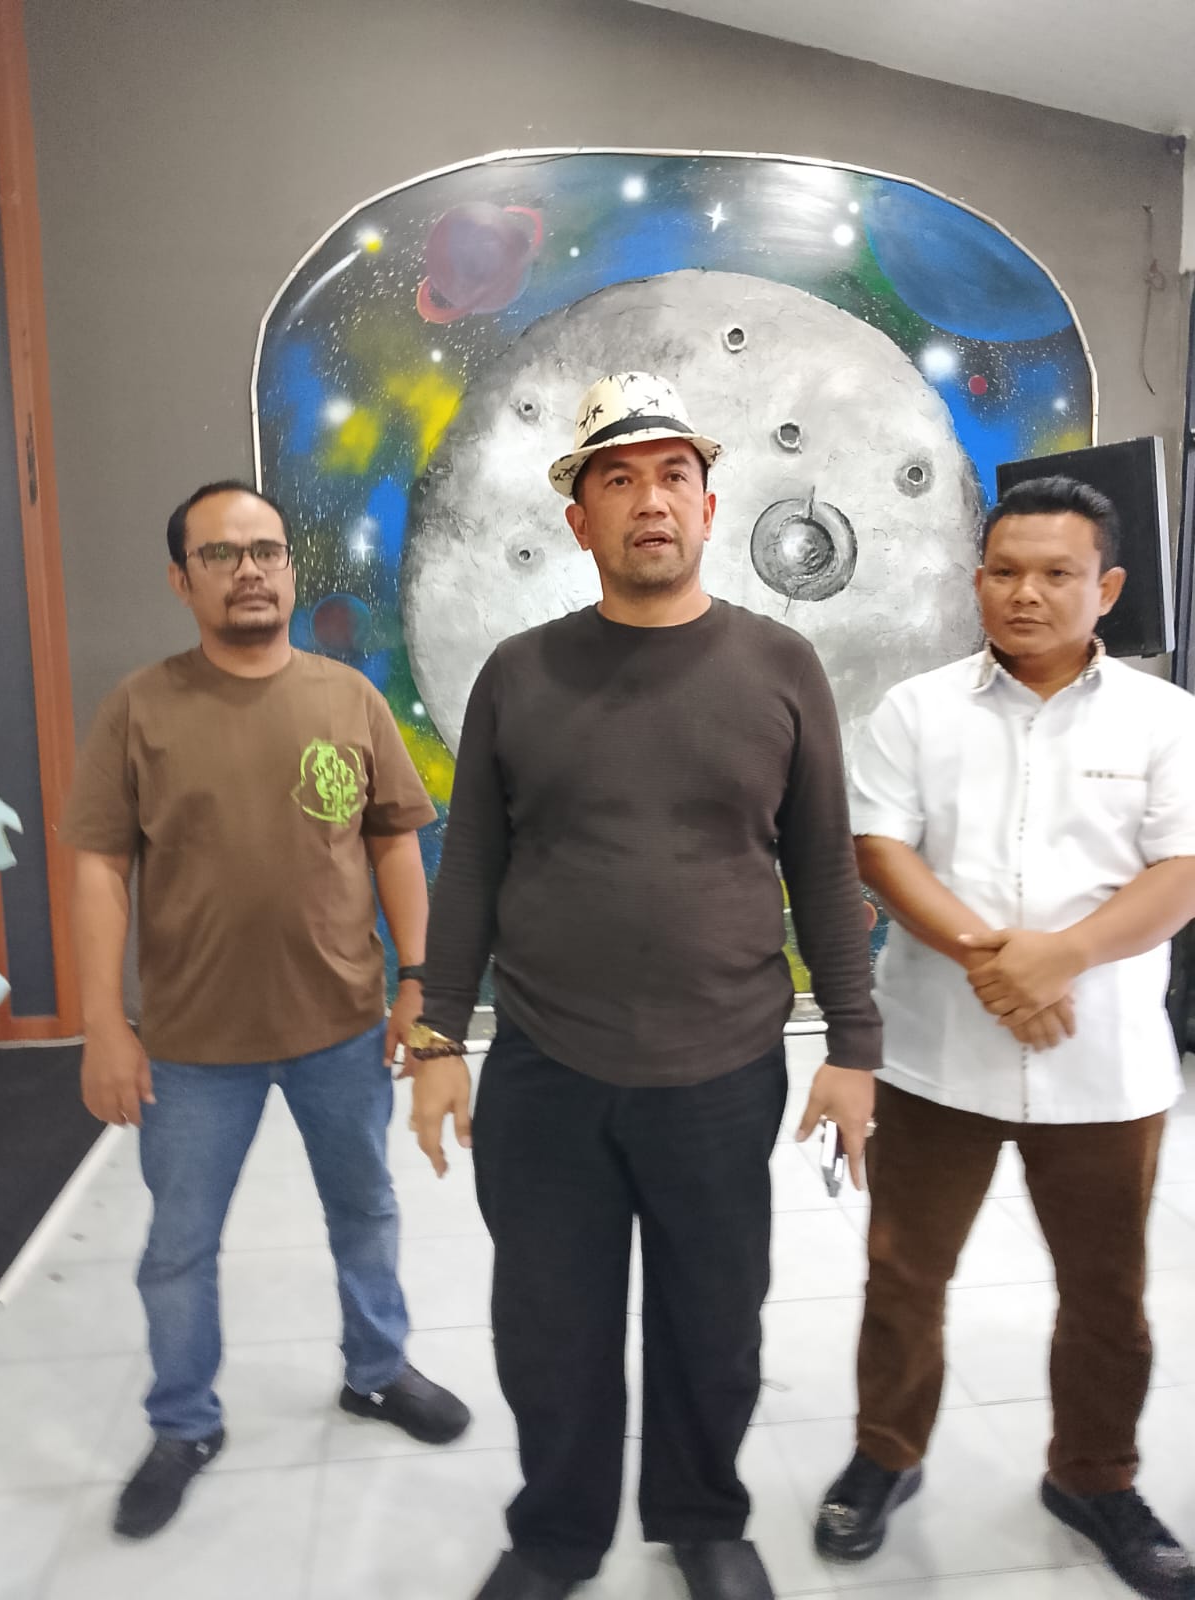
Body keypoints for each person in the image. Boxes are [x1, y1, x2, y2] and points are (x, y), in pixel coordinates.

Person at [405, 373, 882, 1600]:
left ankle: (702, 1517)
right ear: (580, 521)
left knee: (713, 1325)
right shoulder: (519, 672)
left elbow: (824, 866)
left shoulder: (781, 665)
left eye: (674, 475)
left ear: (711, 507)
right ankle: (556, 1533)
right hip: (546, 1070)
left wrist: (855, 1046)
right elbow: (472, 868)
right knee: (548, 1330)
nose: (650, 500)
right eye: (618, 480)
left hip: (722, 1068)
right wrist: (438, 1036)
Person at [63, 480, 470, 1540]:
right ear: (181, 578)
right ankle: (183, 1423)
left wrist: (418, 982)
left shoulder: (349, 700)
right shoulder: (140, 709)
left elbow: (394, 843)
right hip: (192, 1046)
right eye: (221, 554)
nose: (249, 570)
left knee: (365, 1212)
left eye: (267, 550)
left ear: (289, 568)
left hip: (343, 1026)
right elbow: (101, 869)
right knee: (177, 1247)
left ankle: (377, 1370)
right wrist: (105, 1025)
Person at [814, 476, 1195, 1600]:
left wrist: (1062, 957)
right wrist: (999, 959)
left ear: (1106, 588)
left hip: (1103, 1062)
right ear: (977, 579)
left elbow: (1181, 872)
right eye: (1006, 571)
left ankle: (1095, 1476)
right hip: (939, 1056)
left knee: (1107, 1293)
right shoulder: (916, 709)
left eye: (1056, 573)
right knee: (903, 1274)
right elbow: (881, 852)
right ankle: (886, 1454)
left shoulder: (1166, 720)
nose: (1026, 593)